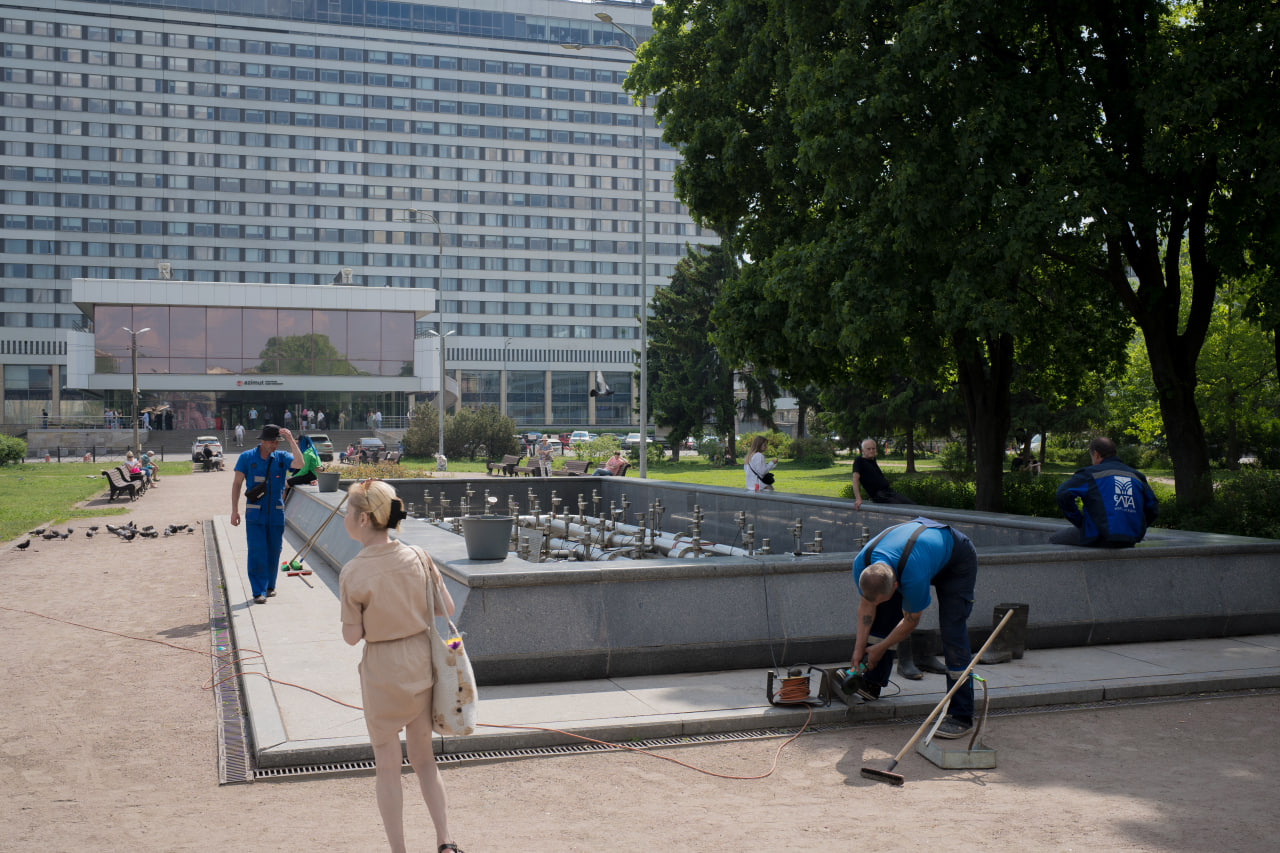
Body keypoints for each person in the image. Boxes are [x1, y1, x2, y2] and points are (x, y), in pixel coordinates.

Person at [338, 480, 465, 853]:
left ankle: (399, 850)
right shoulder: (419, 556)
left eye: (347, 511)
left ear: (363, 518)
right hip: (420, 662)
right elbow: (447, 609)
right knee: (425, 761)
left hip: (382, 670)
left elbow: (351, 636)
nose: (345, 516)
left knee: (388, 767)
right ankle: (445, 840)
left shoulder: (353, 572)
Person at [850, 517, 979, 738]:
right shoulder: (862, 563)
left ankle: (961, 715)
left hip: (956, 561)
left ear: (897, 586)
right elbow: (866, 606)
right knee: (882, 613)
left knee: (952, 633)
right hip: (917, 554)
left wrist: (880, 648)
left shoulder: (913, 576)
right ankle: (871, 682)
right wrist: (858, 649)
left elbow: (911, 620)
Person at [231, 425, 303, 604]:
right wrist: (234, 511)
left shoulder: (281, 457)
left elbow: (300, 464)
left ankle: (270, 586)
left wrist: (291, 440)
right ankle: (258, 591)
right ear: (262, 441)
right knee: (257, 551)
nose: (275, 445)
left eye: (277, 442)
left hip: (276, 514)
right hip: (255, 514)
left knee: (274, 550)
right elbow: (237, 484)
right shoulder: (246, 457)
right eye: (272, 442)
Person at [1050, 436, 1159, 547]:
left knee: (1054, 539)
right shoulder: (1136, 476)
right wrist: (1134, 527)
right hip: (1130, 538)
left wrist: (1079, 521)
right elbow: (1153, 508)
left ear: (1096, 454)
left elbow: (1062, 493)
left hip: (1098, 535)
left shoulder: (1090, 474)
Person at [851, 438, 913, 510]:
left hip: (889, 492)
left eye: (873, 448)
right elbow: (855, 480)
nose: (871, 451)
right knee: (902, 509)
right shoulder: (859, 461)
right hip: (879, 496)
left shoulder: (872, 460)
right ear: (862, 450)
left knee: (912, 505)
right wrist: (858, 499)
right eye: (868, 449)